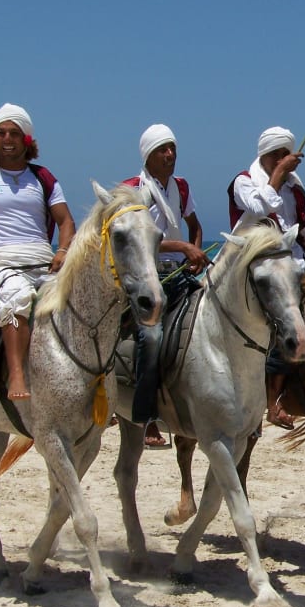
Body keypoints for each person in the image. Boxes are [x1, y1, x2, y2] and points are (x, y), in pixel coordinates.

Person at [0, 103, 76, 401]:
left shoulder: (43, 178)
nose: (7, 139)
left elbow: (66, 221)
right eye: (1, 133)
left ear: (26, 139)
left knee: (77, 303)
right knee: (16, 297)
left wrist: (62, 250)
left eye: (14, 133)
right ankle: (17, 375)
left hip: (41, 259)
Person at [228, 126, 305, 428]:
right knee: (288, 316)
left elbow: (304, 227)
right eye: (278, 155)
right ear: (266, 155)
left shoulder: (296, 189)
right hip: (259, 263)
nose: (284, 160)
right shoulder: (243, 182)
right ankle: (273, 401)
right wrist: (279, 174)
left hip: (294, 263)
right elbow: (260, 206)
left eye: (287, 154)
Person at [123, 124, 209, 447]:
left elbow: (195, 226)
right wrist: (184, 247)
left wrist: (195, 253)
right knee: (152, 336)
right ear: (148, 154)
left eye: (172, 148)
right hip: (147, 275)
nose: (170, 154)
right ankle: (146, 417)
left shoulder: (181, 187)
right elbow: (139, 238)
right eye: (163, 149)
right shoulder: (133, 190)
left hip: (179, 272)